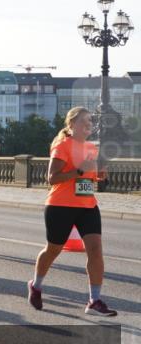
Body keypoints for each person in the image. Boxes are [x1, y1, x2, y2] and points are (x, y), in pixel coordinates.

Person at [28, 107, 115, 316]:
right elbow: (53, 178)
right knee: (53, 250)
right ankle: (36, 285)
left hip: (87, 206)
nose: (88, 124)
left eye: (90, 121)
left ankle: (94, 300)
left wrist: (99, 175)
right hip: (60, 206)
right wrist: (80, 170)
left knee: (95, 250)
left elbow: (87, 179)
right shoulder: (62, 146)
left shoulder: (91, 149)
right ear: (72, 124)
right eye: (84, 120)